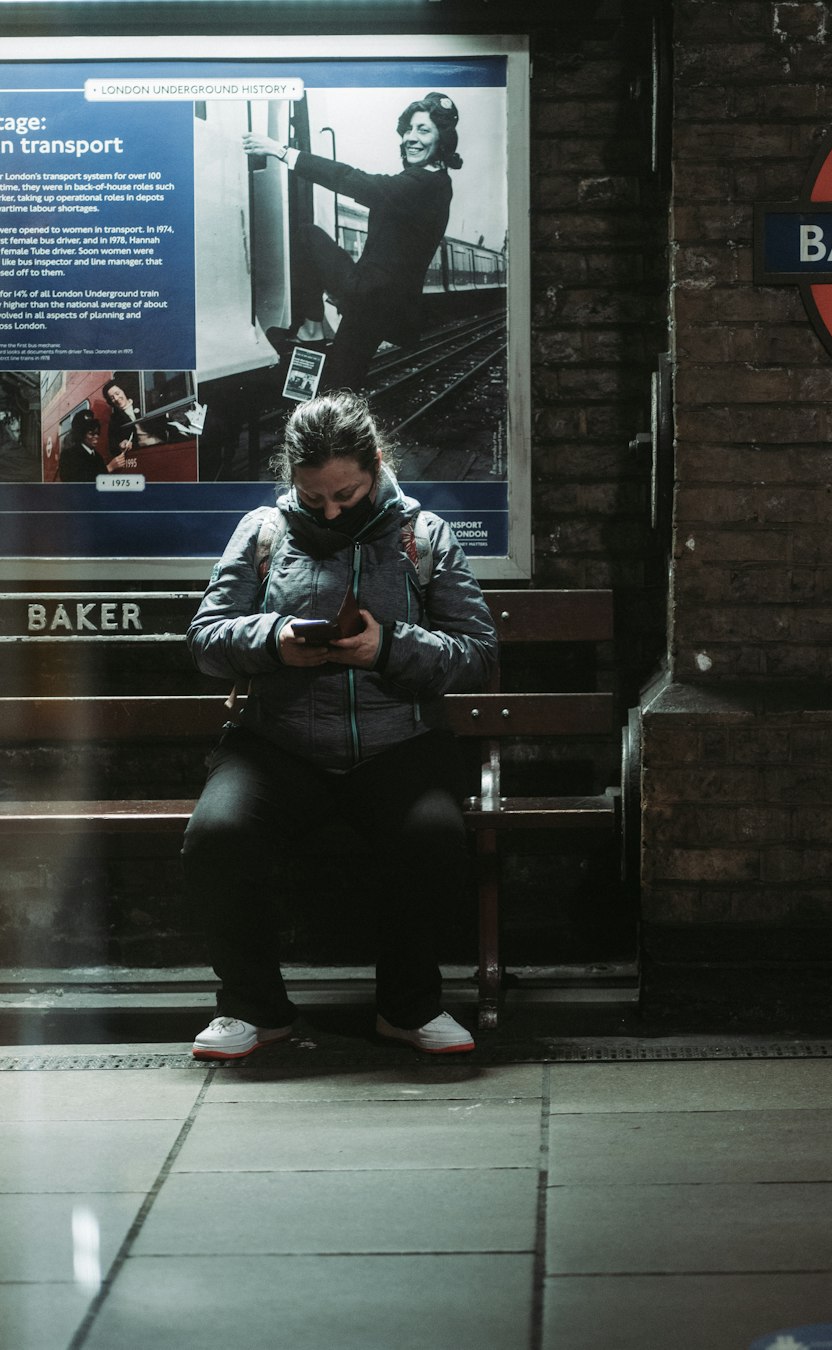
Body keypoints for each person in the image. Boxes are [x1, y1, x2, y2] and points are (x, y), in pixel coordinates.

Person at [182, 389, 497, 1060]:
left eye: (346, 495)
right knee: (217, 836)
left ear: (376, 464)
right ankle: (253, 1010)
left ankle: (408, 1008)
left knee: (434, 837)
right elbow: (207, 639)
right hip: (278, 744)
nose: (330, 510)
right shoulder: (263, 532)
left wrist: (389, 647)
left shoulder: (424, 536)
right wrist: (274, 640)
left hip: (397, 746)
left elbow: (477, 655)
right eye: (314, 496)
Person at [241, 91, 462, 391]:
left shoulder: (424, 185)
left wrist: (282, 151)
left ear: (442, 141)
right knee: (343, 380)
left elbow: (351, 179)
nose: (411, 137)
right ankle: (330, 415)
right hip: (377, 298)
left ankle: (311, 331)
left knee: (307, 235)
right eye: (409, 129)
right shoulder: (432, 182)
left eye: (423, 130)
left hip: (373, 297)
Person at [58, 410, 134, 482]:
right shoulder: (68, 455)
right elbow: (75, 483)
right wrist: (108, 468)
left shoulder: (98, 457)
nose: (96, 437)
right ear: (81, 435)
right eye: (91, 434)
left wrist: (121, 449)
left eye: (97, 433)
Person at [103, 379, 163, 456]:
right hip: (142, 452)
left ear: (123, 391)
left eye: (117, 393)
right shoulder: (115, 419)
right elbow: (112, 445)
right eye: (112, 398)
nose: (116, 398)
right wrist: (121, 444)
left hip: (162, 443)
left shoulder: (143, 403)